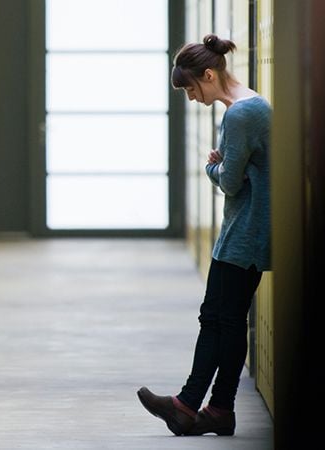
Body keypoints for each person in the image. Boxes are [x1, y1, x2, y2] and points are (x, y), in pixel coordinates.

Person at [137, 34, 271, 436]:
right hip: (246, 230)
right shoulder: (251, 104)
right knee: (222, 320)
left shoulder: (240, 115)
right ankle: (210, 408)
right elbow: (241, 173)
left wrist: (215, 167)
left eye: (192, 88)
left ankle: (191, 405)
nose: (192, 98)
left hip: (244, 234)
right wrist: (229, 166)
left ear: (209, 75)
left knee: (218, 319)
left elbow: (229, 181)